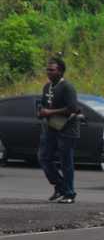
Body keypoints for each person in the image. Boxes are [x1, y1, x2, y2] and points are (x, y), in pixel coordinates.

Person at [37, 56, 79, 204]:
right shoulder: (47, 87)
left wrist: (50, 112)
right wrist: (41, 111)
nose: (48, 72)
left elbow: (72, 108)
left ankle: (69, 193)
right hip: (50, 127)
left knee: (65, 161)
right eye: (47, 69)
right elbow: (42, 103)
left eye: (52, 70)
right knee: (44, 157)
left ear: (60, 71)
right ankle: (60, 186)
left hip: (67, 129)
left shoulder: (67, 87)